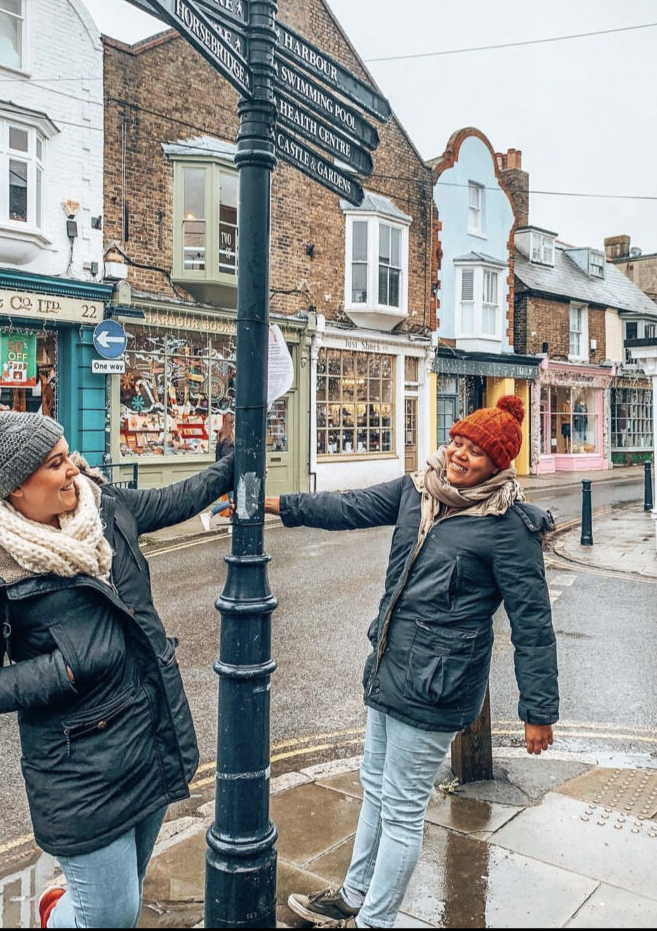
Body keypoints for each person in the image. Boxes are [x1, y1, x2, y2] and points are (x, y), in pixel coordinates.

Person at [266, 396, 559, 930]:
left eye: (475, 452)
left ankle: (376, 920)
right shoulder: (418, 491)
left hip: (437, 687)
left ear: (498, 464)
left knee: (402, 809)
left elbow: (533, 625)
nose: (459, 455)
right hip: (389, 667)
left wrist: (538, 709)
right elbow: (348, 508)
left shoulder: (509, 528)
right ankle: (354, 895)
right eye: (458, 442)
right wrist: (279, 506)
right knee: (374, 786)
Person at [0, 411, 233, 928]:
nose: (74, 469)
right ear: (16, 490)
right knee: (111, 914)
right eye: (56, 463)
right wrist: (65, 670)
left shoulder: (104, 507)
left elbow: (175, 500)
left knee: (126, 896)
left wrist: (233, 460)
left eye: (68, 454)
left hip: (151, 730)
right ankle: (62, 913)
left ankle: (67, 905)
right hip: (79, 766)